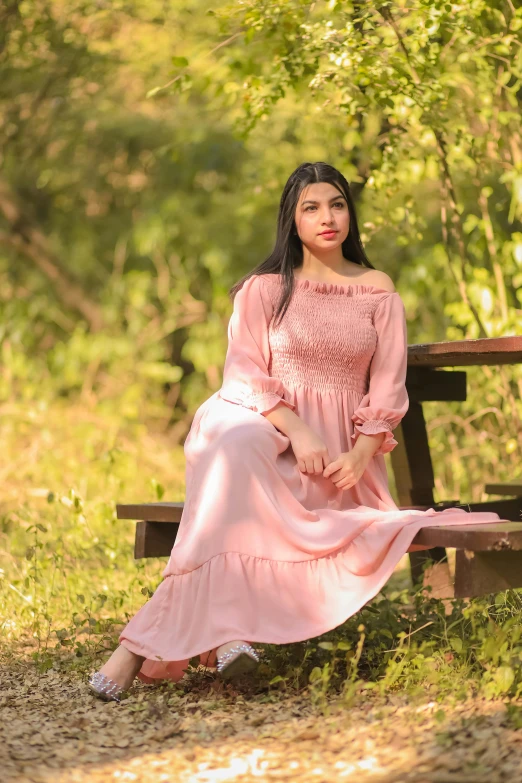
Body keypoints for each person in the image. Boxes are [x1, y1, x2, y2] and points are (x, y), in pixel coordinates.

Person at [88, 162, 500, 702]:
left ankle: (145, 647)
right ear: (292, 217)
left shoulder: (377, 289)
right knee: (236, 445)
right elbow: (243, 372)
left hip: (334, 458)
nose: (327, 217)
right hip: (261, 422)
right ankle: (225, 630)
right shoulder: (262, 290)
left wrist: (360, 454)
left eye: (337, 204)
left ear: (350, 212)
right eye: (311, 206)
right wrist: (299, 431)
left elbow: (389, 385)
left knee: (223, 508)